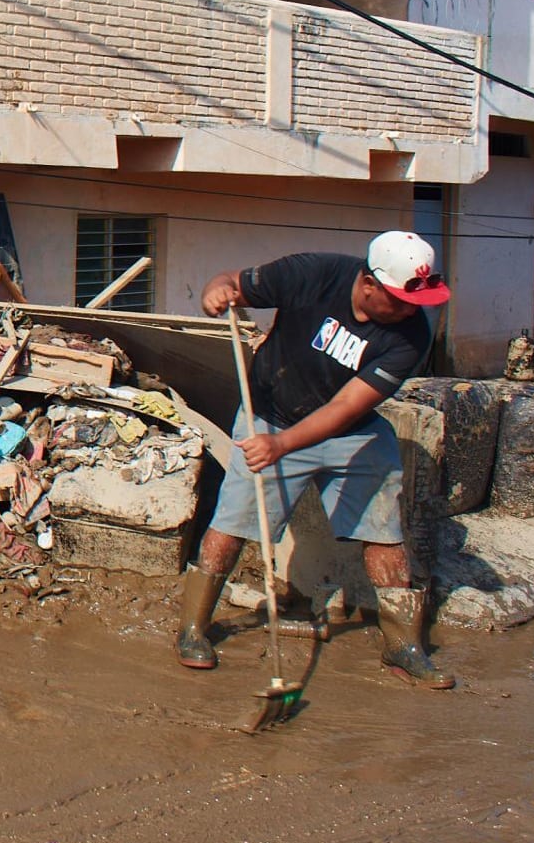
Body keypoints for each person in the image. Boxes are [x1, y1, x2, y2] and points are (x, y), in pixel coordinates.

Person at [176, 230, 455, 689]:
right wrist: (216, 291)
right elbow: (231, 282)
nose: (412, 310)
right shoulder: (311, 274)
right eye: (402, 300)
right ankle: (193, 628)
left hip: (351, 431)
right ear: (369, 283)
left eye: (417, 302)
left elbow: (346, 406)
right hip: (270, 415)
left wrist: (283, 446)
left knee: (384, 530)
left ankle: (403, 645)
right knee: (234, 521)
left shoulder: (412, 336)